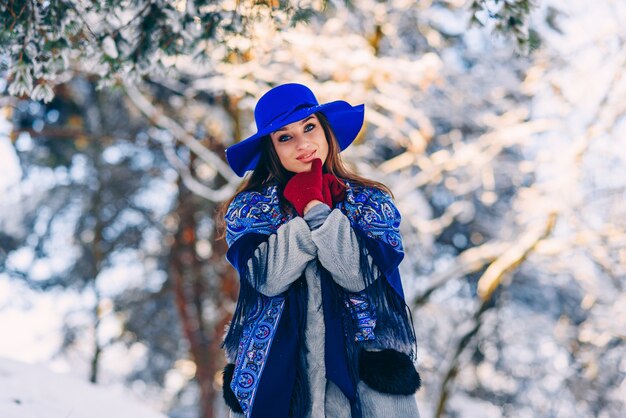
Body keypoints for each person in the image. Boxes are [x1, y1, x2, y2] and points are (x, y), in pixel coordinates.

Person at [217, 83, 421, 418]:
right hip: (276, 381)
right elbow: (266, 278)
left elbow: (360, 275)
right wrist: (300, 221)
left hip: (366, 381)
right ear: (272, 149)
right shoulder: (250, 209)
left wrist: (316, 209)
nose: (303, 144)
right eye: (285, 137)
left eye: (309, 127)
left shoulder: (370, 201)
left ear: (325, 130)